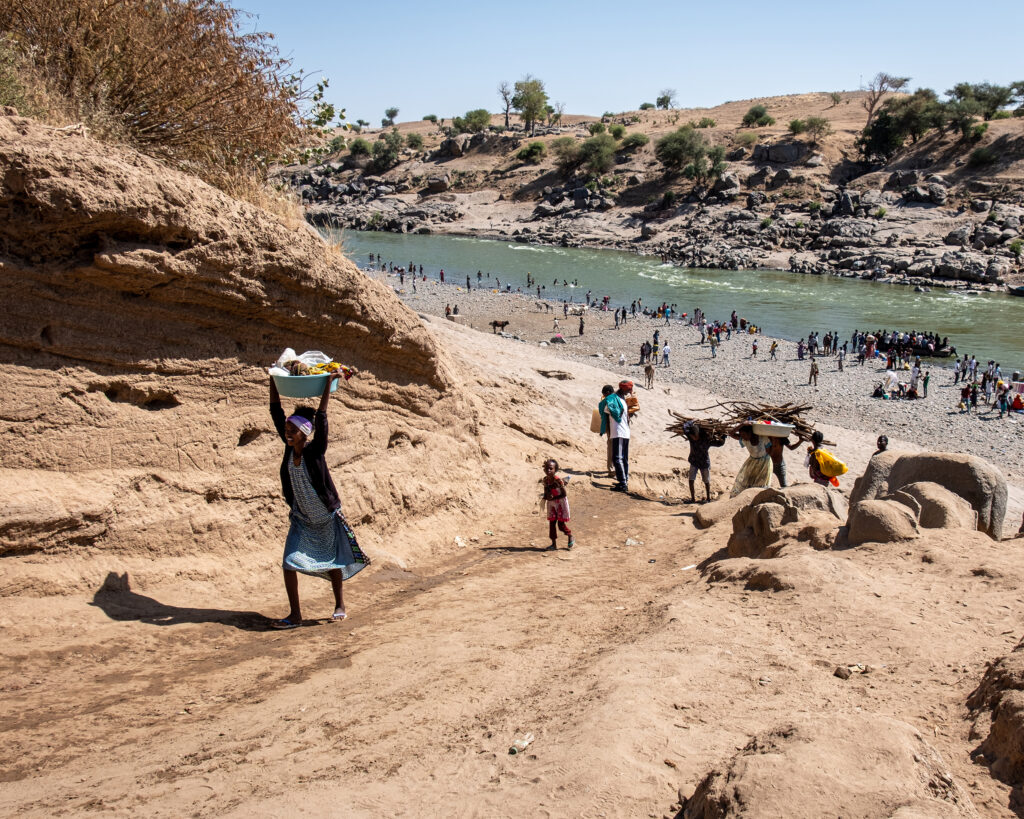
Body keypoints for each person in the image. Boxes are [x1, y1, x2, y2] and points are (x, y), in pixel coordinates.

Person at [269, 370, 369, 629]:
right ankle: (295, 615)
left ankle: (339, 604)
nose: (287, 433)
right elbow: (276, 412)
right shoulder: (289, 450)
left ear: (305, 433)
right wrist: (273, 380)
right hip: (302, 519)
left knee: (333, 562)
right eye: (287, 430)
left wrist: (327, 385)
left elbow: (322, 418)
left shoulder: (315, 452)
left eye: (293, 430)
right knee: (288, 562)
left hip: (325, 517)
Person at [684, 422, 725, 503]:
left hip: (704, 463)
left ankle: (708, 498)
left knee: (706, 481)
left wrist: (723, 436)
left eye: (694, 436)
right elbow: (685, 428)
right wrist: (692, 421)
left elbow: (720, 443)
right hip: (694, 461)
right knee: (691, 479)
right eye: (691, 436)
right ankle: (693, 498)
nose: (693, 437)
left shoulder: (706, 440)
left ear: (698, 434)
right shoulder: (691, 438)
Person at [604, 381, 633, 492]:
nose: (629, 392)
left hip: (619, 432)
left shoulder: (615, 398)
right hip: (624, 432)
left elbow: (606, 409)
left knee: (618, 458)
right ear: (623, 389)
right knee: (623, 458)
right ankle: (624, 480)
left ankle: (622, 483)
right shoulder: (621, 400)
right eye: (629, 390)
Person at [728, 424, 772, 497]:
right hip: (752, 462)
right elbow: (731, 433)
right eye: (741, 435)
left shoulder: (763, 438)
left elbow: (768, 452)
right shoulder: (744, 440)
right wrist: (742, 423)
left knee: (761, 482)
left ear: (750, 433)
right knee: (747, 480)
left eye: (744, 435)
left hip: (765, 463)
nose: (743, 437)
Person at [541, 459, 575, 550]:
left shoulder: (558, 480)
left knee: (560, 524)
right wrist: (547, 496)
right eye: (547, 468)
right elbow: (546, 492)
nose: (548, 471)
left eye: (551, 469)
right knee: (552, 524)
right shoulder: (545, 480)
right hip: (552, 504)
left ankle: (569, 535)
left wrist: (552, 497)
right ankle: (553, 544)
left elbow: (564, 494)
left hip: (560, 503)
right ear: (544, 469)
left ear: (555, 470)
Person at [597, 385, 616, 476]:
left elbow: (602, 412)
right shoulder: (619, 398)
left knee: (611, 447)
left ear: (607, 393)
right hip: (622, 428)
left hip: (611, 427)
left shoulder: (606, 401)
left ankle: (611, 469)